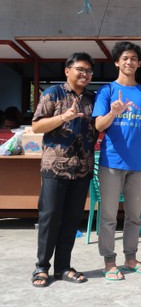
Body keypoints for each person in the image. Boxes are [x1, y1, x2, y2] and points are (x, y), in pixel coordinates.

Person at [30, 52, 98, 287]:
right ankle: (41, 267)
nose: (85, 74)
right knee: (50, 218)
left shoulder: (92, 98)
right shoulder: (53, 93)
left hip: (82, 168)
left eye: (89, 71)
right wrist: (63, 117)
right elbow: (37, 126)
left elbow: (98, 126)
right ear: (67, 70)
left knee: (71, 220)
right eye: (80, 69)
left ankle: (63, 267)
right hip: (55, 168)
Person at [93, 41, 141, 280]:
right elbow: (99, 125)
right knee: (109, 215)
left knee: (134, 216)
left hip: (138, 164)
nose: (129, 62)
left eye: (133, 58)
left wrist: (139, 144)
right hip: (111, 162)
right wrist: (113, 112)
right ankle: (109, 262)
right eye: (125, 58)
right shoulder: (107, 91)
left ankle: (131, 258)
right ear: (117, 62)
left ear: (139, 64)